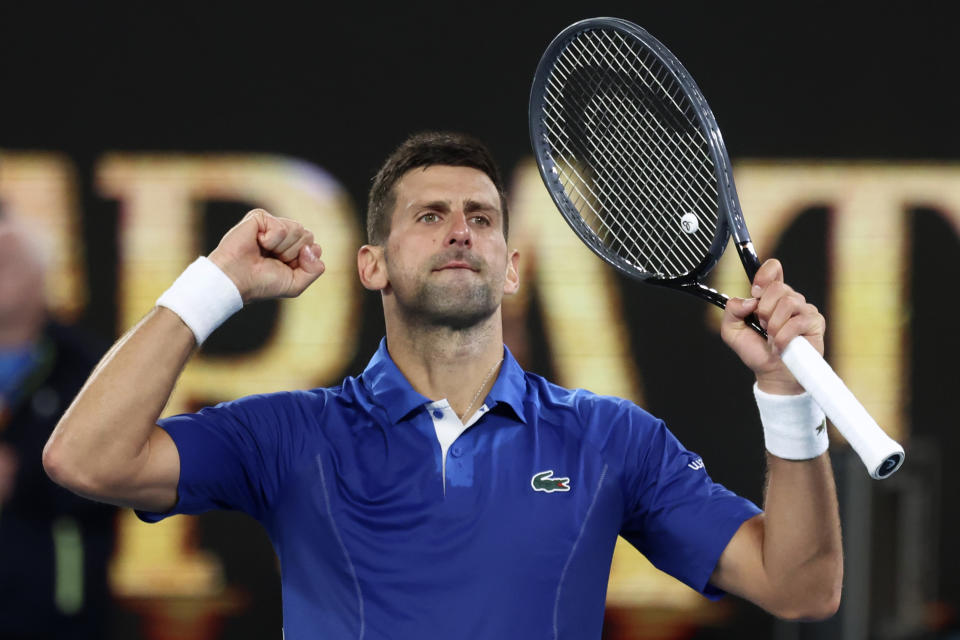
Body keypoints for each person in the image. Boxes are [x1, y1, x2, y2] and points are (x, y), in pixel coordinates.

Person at [43, 132, 842, 639]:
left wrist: (786, 393)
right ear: (373, 265)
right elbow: (86, 460)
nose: (462, 229)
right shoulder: (289, 434)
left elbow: (801, 588)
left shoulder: (613, 439)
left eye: (483, 218)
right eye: (429, 216)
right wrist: (215, 283)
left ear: (512, 267)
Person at [0, 217, 116, 639]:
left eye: (6, 261)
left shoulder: (87, 365)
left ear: (41, 277)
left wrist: (24, 473)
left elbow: (113, 469)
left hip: (53, 605)